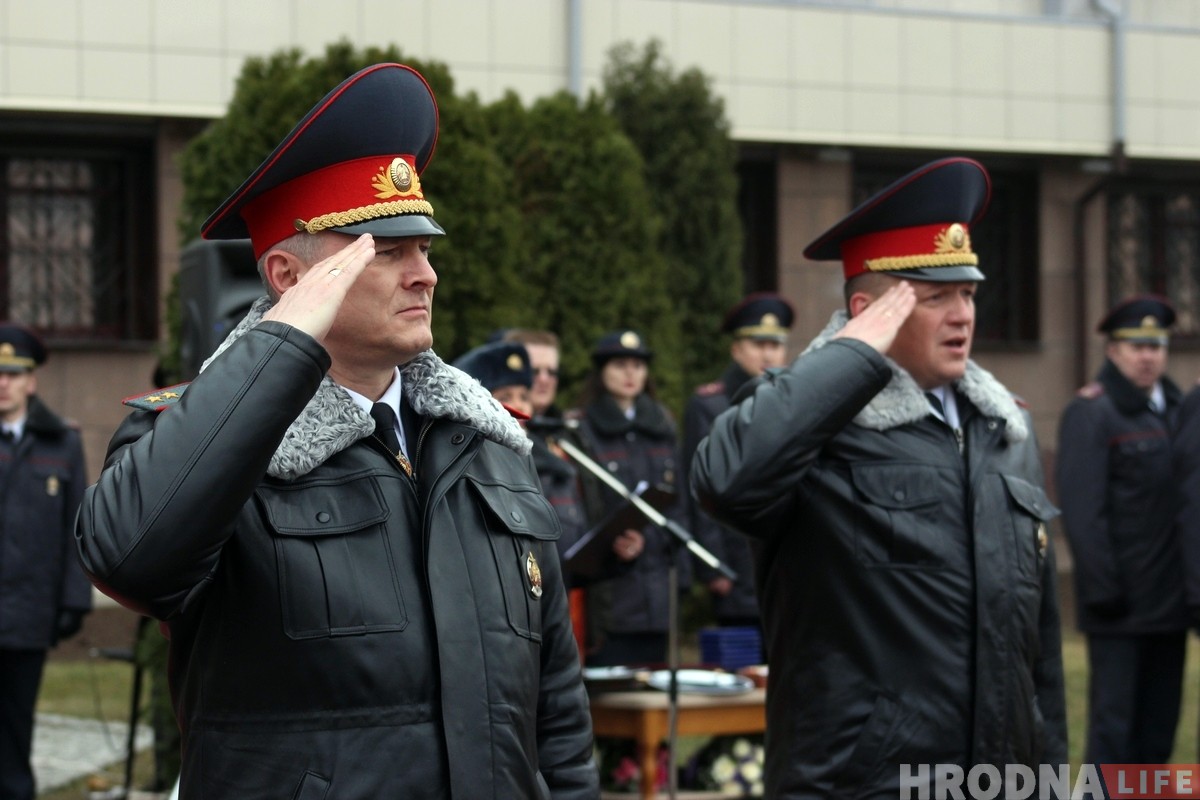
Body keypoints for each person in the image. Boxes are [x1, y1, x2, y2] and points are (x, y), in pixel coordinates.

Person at [74, 63, 597, 799]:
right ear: (289, 276)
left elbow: (556, 716)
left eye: (424, 249)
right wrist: (280, 346)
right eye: (386, 253)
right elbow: (129, 559)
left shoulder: (485, 442)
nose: (426, 275)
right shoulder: (203, 441)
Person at [690, 157, 1067, 798]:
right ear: (869, 312)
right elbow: (726, 480)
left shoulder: (1006, 430)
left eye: (968, 293)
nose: (963, 316)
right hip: (863, 782)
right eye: (934, 297)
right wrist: (853, 355)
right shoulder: (814, 428)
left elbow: (1040, 647)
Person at [1056, 295, 1186, 765]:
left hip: (1169, 606)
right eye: (1136, 347)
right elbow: (1083, 513)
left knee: (1158, 734)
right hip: (1121, 608)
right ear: (1113, 352)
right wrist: (1105, 592)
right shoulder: (1093, 413)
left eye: (1156, 345)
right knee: (1114, 736)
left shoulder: (1175, 410)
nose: (1148, 356)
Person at [0, 323, 91, 800]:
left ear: (31, 381)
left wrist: (74, 601)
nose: (3, 383)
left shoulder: (62, 443)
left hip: (27, 613)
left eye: (13, 374)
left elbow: (75, 529)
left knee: (16, 730)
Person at [681, 293, 793, 635]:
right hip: (735, 563)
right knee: (740, 672)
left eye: (775, 345)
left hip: (786, 564)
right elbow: (700, 487)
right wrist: (712, 566)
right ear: (736, 349)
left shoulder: (794, 400)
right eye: (758, 344)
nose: (767, 353)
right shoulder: (710, 405)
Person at [573, 330, 684, 667]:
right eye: (620, 364)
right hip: (612, 599)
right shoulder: (582, 429)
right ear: (601, 371)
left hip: (659, 598)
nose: (630, 373)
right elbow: (583, 508)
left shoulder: (663, 425)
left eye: (638, 365)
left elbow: (681, 505)